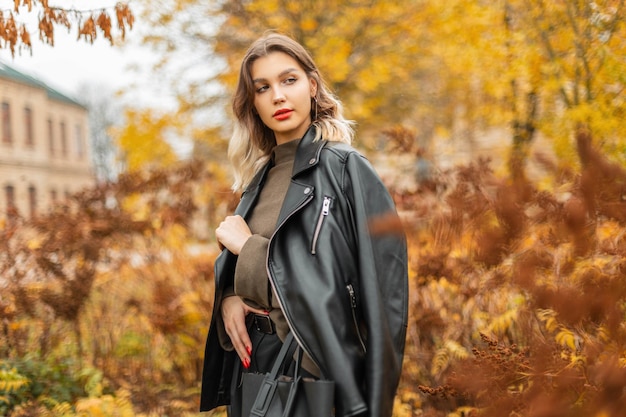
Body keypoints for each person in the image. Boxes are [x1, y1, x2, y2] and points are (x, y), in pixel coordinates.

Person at [200, 32, 408, 417]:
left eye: (288, 80)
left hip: (315, 375)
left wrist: (248, 250)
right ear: (254, 105)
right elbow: (267, 272)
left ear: (312, 86)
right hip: (255, 372)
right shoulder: (256, 181)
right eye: (262, 88)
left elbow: (384, 301)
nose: (278, 96)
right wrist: (230, 297)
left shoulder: (347, 170)